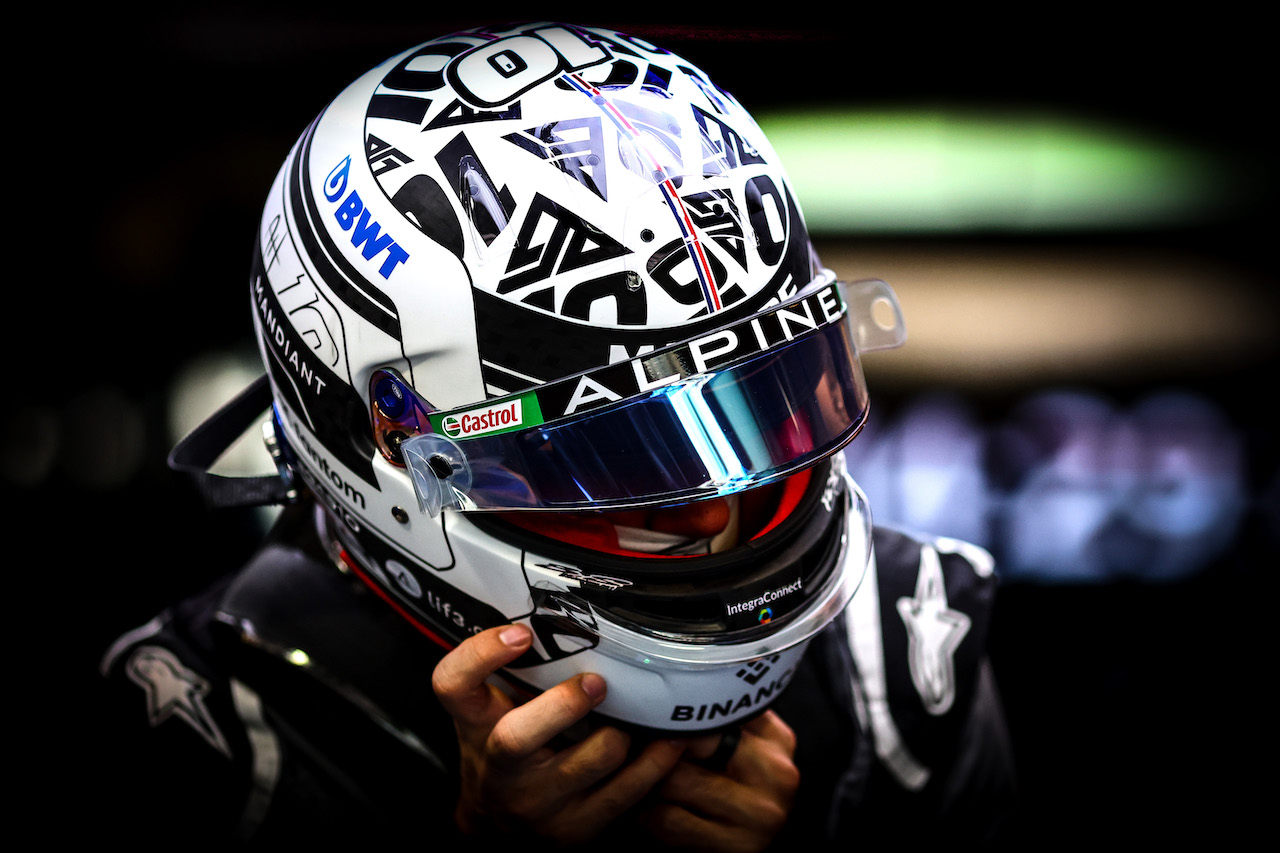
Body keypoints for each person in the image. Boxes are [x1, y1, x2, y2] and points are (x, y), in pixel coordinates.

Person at [98, 22, 1016, 849]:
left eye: (762, 407)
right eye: (615, 454)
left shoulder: (909, 645)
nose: (716, 513)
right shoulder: (200, 726)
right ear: (387, 451)